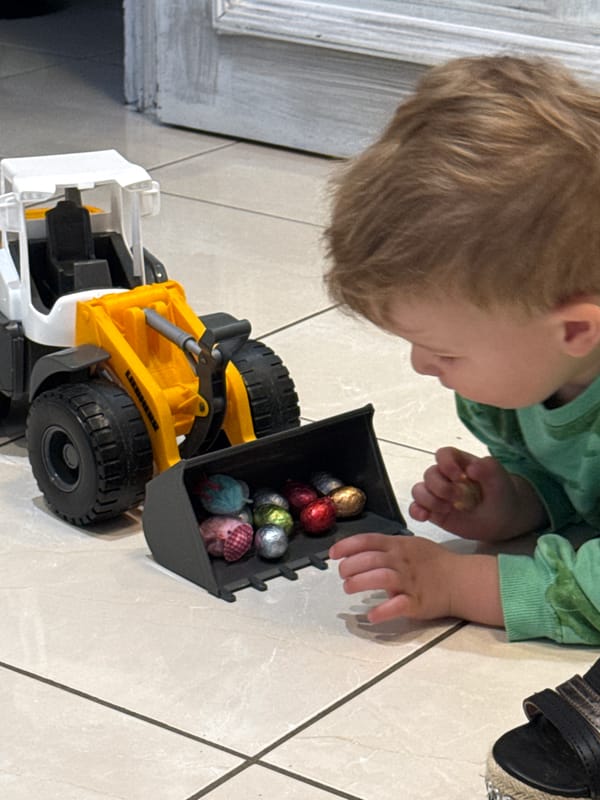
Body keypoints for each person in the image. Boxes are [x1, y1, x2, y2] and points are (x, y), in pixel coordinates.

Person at [325, 54, 600, 646]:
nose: (422, 365)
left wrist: (463, 583)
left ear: (576, 330)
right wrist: (521, 499)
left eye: (444, 352)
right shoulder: (532, 372)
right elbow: (580, 480)